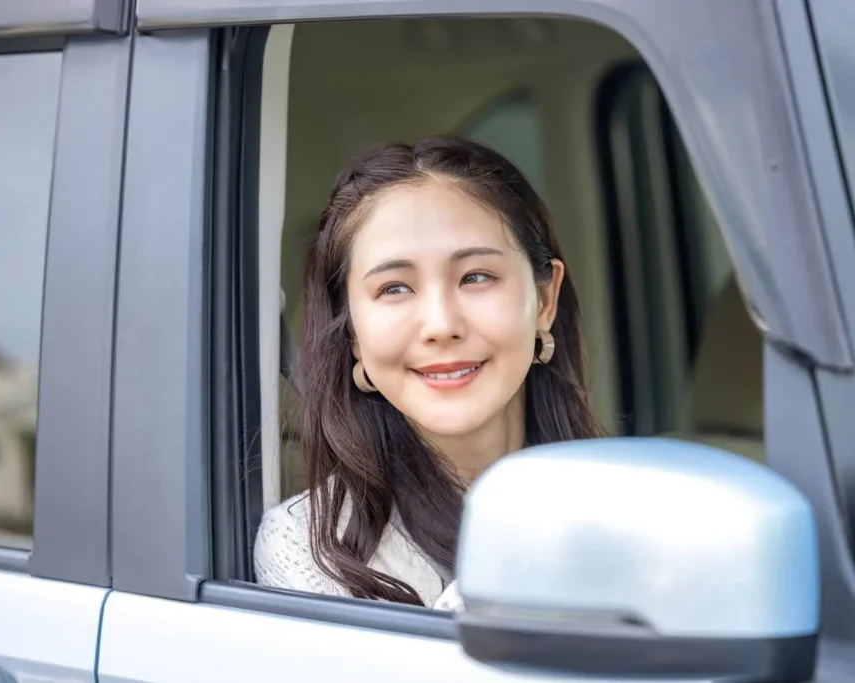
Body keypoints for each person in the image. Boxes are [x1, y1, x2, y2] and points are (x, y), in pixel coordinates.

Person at [253, 135, 605, 610]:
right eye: (395, 288)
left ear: (544, 300)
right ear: (354, 332)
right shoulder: (311, 549)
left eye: (476, 277)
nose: (441, 325)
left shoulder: (633, 506)